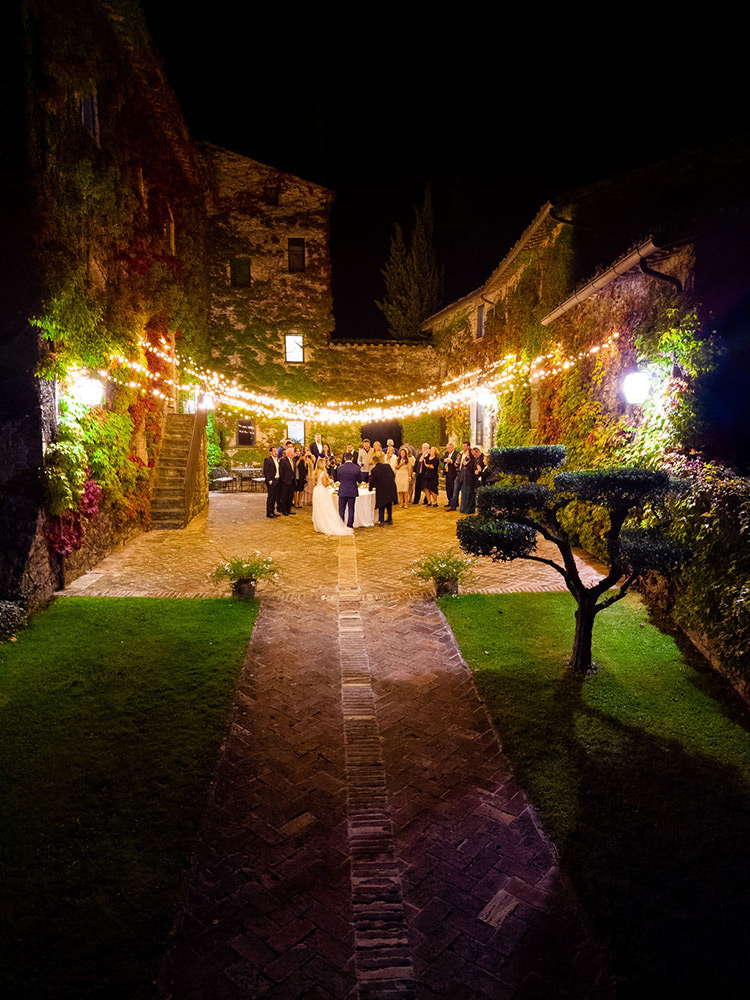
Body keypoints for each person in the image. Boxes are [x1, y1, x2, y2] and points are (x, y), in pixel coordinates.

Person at [312, 467, 353, 536]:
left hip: (316, 491)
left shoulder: (315, 472)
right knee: (326, 508)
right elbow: (325, 484)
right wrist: (330, 482)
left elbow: (314, 483)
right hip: (322, 491)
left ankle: (319, 525)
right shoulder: (323, 473)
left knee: (319, 509)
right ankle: (326, 524)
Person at [334, 453, 364, 528]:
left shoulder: (340, 468)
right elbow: (360, 480)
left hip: (343, 490)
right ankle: (350, 525)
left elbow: (338, 479)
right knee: (351, 509)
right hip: (352, 490)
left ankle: (341, 524)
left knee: (341, 509)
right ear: (352, 458)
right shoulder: (357, 468)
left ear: (344, 458)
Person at [368, 453, 397, 525]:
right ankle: (390, 519)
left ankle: (381, 520)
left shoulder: (374, 470)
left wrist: (370, 488)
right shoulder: (387, 466)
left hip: (381, 489)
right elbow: (393, 475)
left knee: (381, 504)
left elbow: (372, 480)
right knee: (389, 504)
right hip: (390, 487)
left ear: (374, 462)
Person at [460, 447, 485, 514]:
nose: (474, 456)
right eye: (473, 455)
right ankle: (468, 509)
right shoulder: (476, 458)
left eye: (475, 454)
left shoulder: (482, 458)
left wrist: (479, 471)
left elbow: (483, 468)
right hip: (474, 479)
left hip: (479, 479)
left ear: (478, 452)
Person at [448, 442, 472, 510]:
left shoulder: (470, 455)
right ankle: (453, 506)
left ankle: (463, 507)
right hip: (459, 473)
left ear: (468, 447)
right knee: (455, 490)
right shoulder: (460, 454)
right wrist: (456, 464)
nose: (463, 447)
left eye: (464, 446)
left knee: (464, 491)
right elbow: (458, 462)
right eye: (463, 446)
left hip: (466, 475)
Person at [277, 446, 296, 515]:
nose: (293, 454)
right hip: (285, 482)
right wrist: (283, 480)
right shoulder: (283, 461)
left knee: (290, 496)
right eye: (292, 452)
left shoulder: (293, 460)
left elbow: (294, 471)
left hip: (292, 481)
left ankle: (289, 509)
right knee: (284, 496)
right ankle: (284, 510)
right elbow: (281, 472)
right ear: (288, 453)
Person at [263, 445, 280, 518]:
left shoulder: (277, 460)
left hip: (277, 480)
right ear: (270, 452)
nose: (276, 452)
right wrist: (269, 480)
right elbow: (265, 471)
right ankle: (269, 513)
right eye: (274, 451)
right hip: (271, 481)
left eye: (276, 451)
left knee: (275, 497)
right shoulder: (268, 460)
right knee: (271, 497)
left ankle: (273, 511)